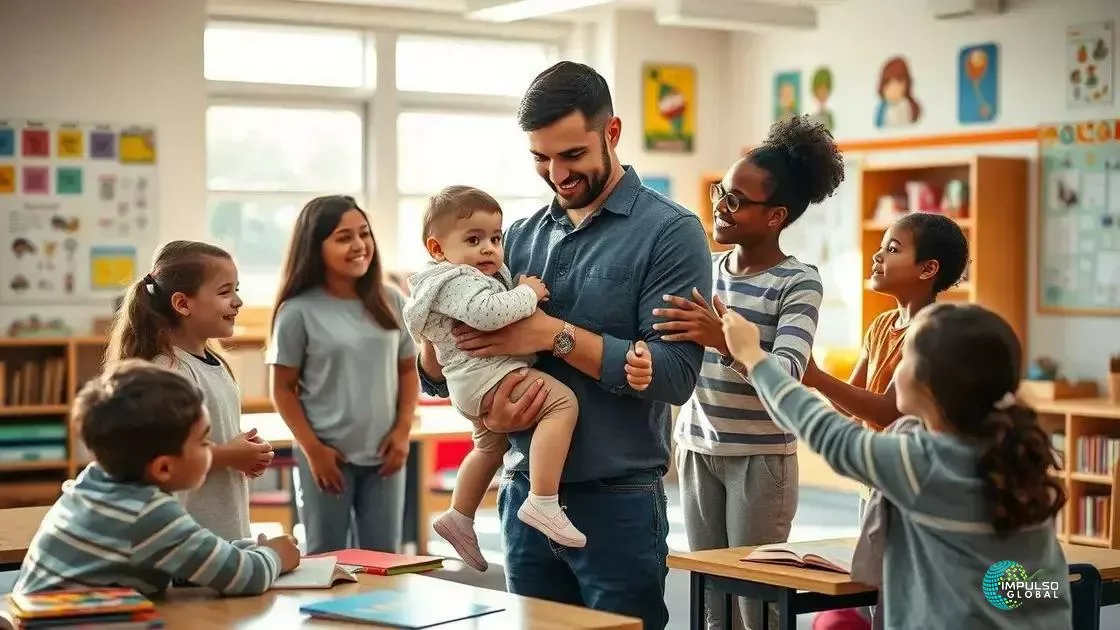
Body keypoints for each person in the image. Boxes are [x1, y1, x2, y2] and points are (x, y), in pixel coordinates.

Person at [416, 61, 711, 630]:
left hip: (618, 504)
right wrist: (450, 364)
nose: (556, 174)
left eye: (572, 155)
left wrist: (552, 335)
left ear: (612, 132)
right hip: (521, 497)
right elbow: (439, 374)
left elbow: (675, 375)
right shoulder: (515, 237)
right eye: (540, 158)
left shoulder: (670, 233)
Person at [721, 302, 1071, 629]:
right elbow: (1041, 589)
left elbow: (824, 429)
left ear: (930, 384)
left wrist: (754, 357)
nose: (896, 369)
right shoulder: (1018, 458)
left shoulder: (923, 464)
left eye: (905, 358)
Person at [655, 114, 844, 630]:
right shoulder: (704, 270)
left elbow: (788, 373)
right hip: (697, 449)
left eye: (737, 199)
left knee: (756, 604)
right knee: (712, 602)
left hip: (760, 461)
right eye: (721, 191)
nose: (721, 205)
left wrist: (723, 339)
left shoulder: (798, 282)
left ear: (776, 215)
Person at [404, 185, 654, 571]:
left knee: (488, 448)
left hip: (473, 382)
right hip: (489, 375)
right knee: (562, 403)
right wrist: (527, 292)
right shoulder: (457, 279)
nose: (489, 249)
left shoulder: (458, 276)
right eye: (473, 240)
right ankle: (542, 499)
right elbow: (489, 313)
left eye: (495, 238)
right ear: (437, 249)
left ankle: (459, 515)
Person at [804, 212, 968, 630]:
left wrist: (815, 376)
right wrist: (815, 377)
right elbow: (851, 406)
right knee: (876, 586)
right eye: (880, 247)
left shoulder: (930, 330)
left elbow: (887, 410)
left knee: (902, 592)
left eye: (893, 249)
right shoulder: (881, 326)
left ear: (928, 270)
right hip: (875, 479)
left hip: (912, 482)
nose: (877, 256)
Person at [15, 360, 299, 595]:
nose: (212, 448)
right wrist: (276, 556)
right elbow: (245, 578)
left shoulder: (93, 483)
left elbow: (191, 553)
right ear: (163, 468)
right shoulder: (148, 513)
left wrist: (251, 548)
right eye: (203, 442)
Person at [267, 195, 418, 555]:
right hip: (325, 456)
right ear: (314, 247)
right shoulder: (297, 311)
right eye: (343, 237)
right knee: (326, 559)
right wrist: (313, 450)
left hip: (385, 455)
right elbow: (283, 389)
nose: (359, 245)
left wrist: (402, 432)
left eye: (364, 233)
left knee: (385, 559)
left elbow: (408, 369)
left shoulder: (391, 300)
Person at [104, 240, 273, 542]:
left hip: (224, 534)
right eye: (225, 292)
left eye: (236, 289)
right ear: (183, 304)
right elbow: (162, 458)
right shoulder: (169, 372)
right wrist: (230, 455)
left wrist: (244, 455)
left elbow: (213, 438)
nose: (238, 301)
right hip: (188, 541)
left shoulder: (215, 364)